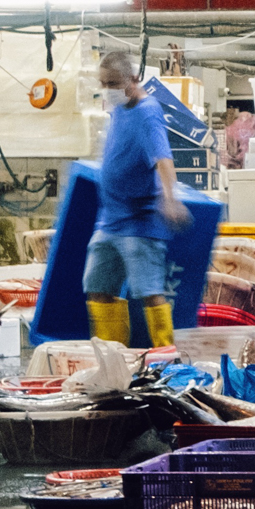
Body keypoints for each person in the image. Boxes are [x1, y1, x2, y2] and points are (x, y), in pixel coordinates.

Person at [83, 48, 191, 346]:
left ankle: (167, 356)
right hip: (111, 220)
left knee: (149, 292)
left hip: (139, 223)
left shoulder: (147, 112)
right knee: (97, 287)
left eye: (113, 84)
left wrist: (170, 198)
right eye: (103, 83)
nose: (108, 90)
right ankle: (113, 358)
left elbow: (163, 158)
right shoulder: (120, 108)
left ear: (134, 79)